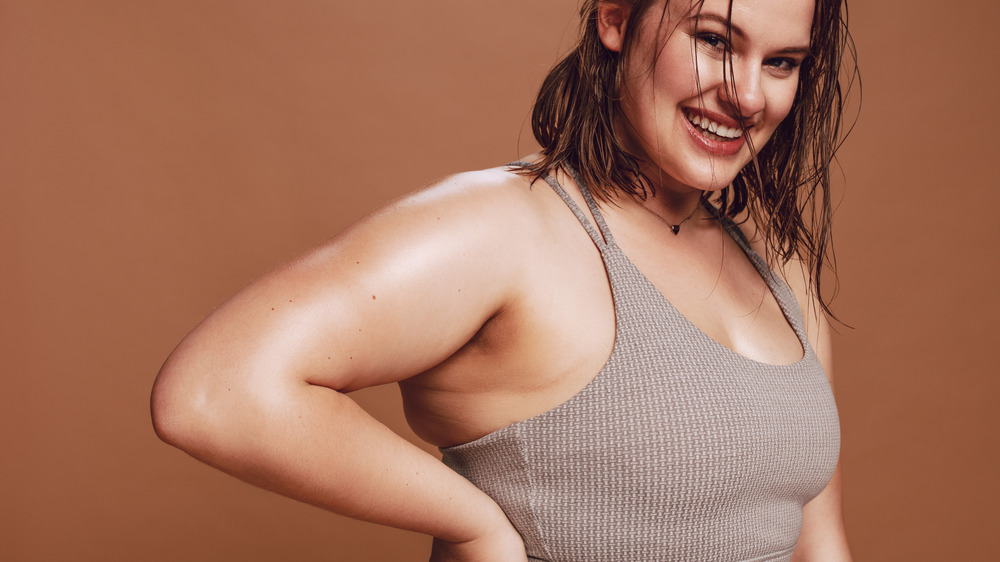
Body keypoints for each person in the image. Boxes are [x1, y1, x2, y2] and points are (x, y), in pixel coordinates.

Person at [151, 0, 856, 559]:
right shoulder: (508, 231)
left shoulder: (779, 261)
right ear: (616, 17)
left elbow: (819, 546)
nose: (747, 96)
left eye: (783, 62)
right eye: (714, 41)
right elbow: (213, 391)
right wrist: (473, 522)